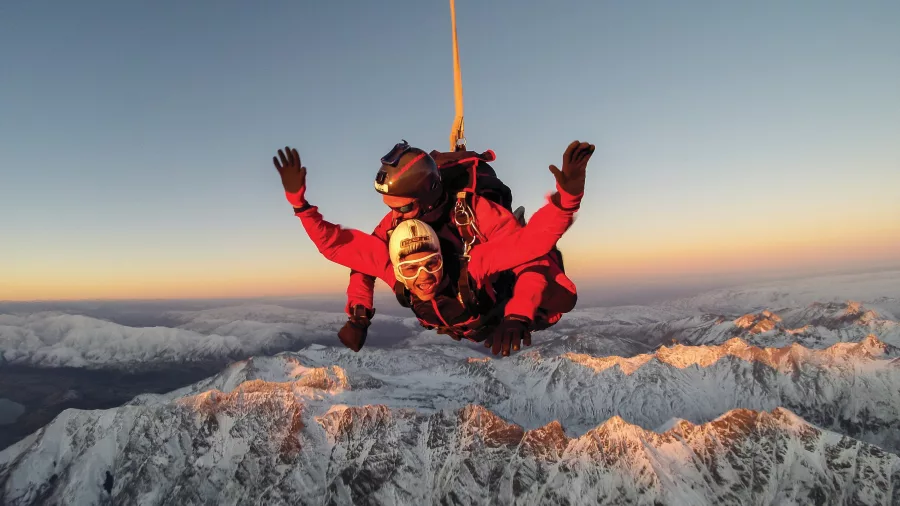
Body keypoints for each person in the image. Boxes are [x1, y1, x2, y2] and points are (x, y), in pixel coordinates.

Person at [271, 141, 593, 356]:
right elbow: (348, 250)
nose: (393, 214)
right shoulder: (396, 226)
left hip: (496, 306)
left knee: (563, 294)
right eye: (409, 269)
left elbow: (530, 248)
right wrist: (359, 315)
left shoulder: (475, 230)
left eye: (431, 264)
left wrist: (519, 313)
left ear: (425, 198)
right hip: (461, 322)